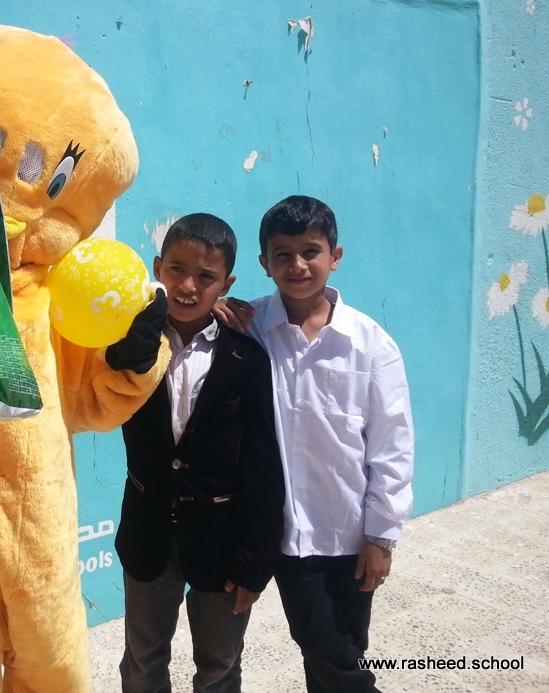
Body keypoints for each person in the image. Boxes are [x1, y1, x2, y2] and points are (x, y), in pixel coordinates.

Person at [216, 195, 415, 692]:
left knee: (341, 652)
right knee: (329, 654)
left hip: (345, 534)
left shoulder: (371, 345)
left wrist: (381, 536)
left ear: (335, 256)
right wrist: (213, 305)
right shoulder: (249, 326)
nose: (298, 265)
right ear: (264, 263)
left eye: (311, 251)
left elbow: (392, 446)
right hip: (282, 535)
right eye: (282, 254)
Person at [114, 213, 285, 693]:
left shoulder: (247, 358)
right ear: (158, 268)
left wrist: (255, 560)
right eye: (177, 269)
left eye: (206, 277)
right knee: (143, 662)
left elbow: (262, 465)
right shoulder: (131, 344)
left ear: (225, 285)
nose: (188, 286)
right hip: (148, 533)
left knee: (220, 666)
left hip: (223, 540)